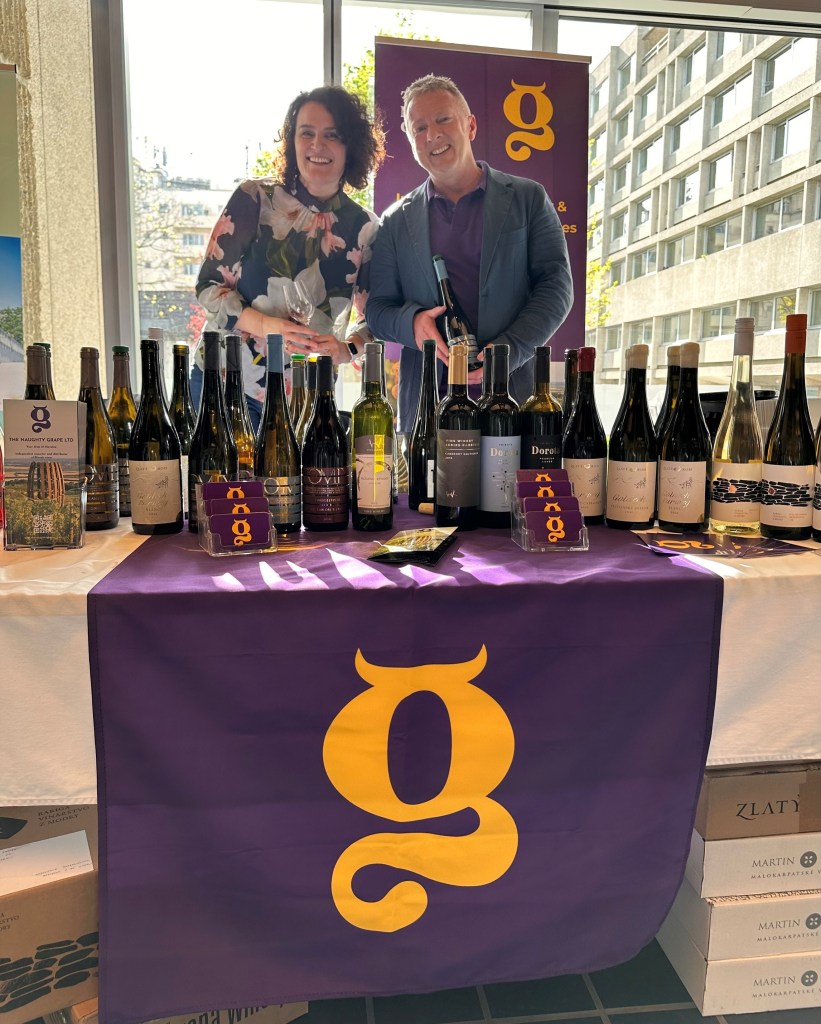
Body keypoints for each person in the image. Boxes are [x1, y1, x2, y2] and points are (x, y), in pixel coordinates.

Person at [366, 74, 573, 431]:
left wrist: (508, 351)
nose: (432, 135)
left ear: (471, 125)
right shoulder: (394, 221)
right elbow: (377, 309)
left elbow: (557, 288)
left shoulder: (528, 199)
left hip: (511, 399)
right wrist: (412, 324)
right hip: (427, 409)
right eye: (419, 128)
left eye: (443, 119)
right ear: (411, 140)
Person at [194, 86, 385, 429]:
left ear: (351, 145)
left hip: (306, 399)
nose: (317, 145)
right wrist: (267, 326)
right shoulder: (255, 197)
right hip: (224, 384)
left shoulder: (366, 228)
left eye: (332, 135)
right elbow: (209, 286)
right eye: (306, 133)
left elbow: (376, 318)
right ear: (292, 141)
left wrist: (348, 349)